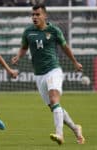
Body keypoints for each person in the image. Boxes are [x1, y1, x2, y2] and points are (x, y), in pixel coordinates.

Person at [11, 4, 85, 145]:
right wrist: (18, 56)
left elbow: (65, 47)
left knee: (54, 98)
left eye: (37, 14)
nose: (34, 17)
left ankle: (59, 134)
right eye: (33, 14)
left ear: (45, 16)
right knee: (54, 106)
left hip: (53, 70)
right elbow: (24, 48)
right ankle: (76, 128)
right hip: (39, 75)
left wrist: (75, 62)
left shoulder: (54, 30)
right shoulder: (28, 32)